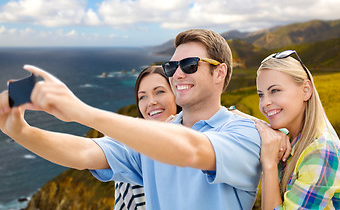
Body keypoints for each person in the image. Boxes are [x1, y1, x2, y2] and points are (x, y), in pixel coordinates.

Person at [0, 29, 261, 210]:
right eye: (171, 67)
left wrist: (81, 111)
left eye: (190, 64)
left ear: (220, 73)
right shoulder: (153, 139)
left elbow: (191, 151)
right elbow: (82, 153)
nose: (177, 74)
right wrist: (20, 131)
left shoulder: (243, 132)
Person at [255, 50, 340, 209]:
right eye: (261, 95)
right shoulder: (293, 137)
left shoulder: (322, 152)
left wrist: (269, 164)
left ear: (306, 90)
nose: (265, 103)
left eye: (275, 91)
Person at [115, 65, 179, 210]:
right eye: (143, 96)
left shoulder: (206, 140)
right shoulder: (134, 154)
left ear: (177, 94)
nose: (151, 102)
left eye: (160, 92)